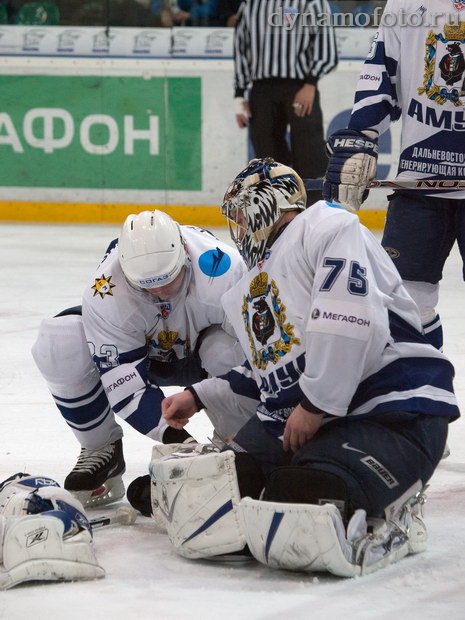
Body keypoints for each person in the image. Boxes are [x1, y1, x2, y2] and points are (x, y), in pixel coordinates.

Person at [157, 158, 460, 577]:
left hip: (393, 412)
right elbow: (269, 369)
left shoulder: (326, 226)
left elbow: (347, 317)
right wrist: (198, 395)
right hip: (312, 419)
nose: (239, 228)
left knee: (297, 497)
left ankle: (396, 511)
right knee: (203, 493)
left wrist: (315, 403)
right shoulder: (252, 281)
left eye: (243, 214)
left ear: (271, 202)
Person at [31, 210, 252, 508]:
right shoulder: (106, 291)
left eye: (168, 280)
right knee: (58, 341)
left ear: (185, 254)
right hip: (145, 360)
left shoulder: (224, 269)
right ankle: (100, 448)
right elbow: (123, 383)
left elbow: (258, 355)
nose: (160, 292)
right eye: (146, 284)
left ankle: (239, 442)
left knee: (226, 349)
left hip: (204, 354)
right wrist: (178, 438)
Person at [323, 0, 465, 351]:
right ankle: (425, 400)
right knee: (405, 307)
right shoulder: (405, 3)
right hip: (419, 181)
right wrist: (360, 136)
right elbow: (381, 73)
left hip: (420, 183)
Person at [233, 0, 338, 204]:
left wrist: (310, 83)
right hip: (261, 89)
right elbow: (241, 46)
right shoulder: (250, 4)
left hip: (300, 86)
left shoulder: (311, 2)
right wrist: (239, 94)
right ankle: (274, 212)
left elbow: (325, 45)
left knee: (309, 153)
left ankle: (315, 211)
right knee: (267, 158)